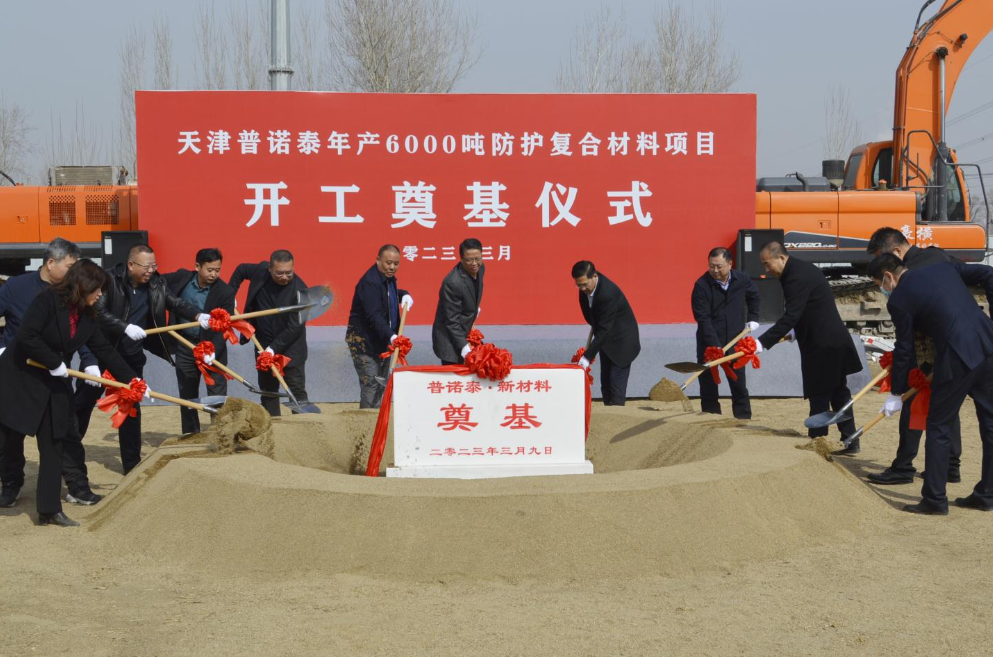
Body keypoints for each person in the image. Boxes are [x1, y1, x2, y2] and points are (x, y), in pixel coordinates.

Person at [0, 260, 139, 526]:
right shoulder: (47, 300)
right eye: (97, 289)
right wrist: (54, 362)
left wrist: (133, 381)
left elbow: (104, 350)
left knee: (55, 443)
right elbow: (28, 336)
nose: (100, 294)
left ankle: (49, 510)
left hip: (53, 384)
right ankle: (10, 484)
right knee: (6, 440)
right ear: (82, 286)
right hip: (20, 378)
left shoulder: (87, 315)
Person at [869, 253, 993, 515]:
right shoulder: (943, 268)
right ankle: (987, 494)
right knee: (990, 423)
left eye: (879, 284)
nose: (882, 290)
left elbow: (904, 349)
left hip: (957, 358)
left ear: (888, 276)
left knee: (938, 426)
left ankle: (934, 500)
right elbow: (988, 273)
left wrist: (896, 393)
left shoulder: (899, 299)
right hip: (988, 344)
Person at [74, 244, 210, 474]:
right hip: (103, 353)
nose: (150, 271)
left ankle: (131, 464)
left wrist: (197, 315)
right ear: (131, 264)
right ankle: (68, 453)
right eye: (146, 266)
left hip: (131, 356)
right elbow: (99, 313)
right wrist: (124, 327)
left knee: (131, 407)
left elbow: (174, 303)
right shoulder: (109, 280)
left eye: (154, 266)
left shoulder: (156, 283)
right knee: (83, 405)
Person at [0, 238, 106, 508]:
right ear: (50, 263)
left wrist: (89, 360)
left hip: (57, 374)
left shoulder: (73, 295)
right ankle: (11, 484)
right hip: (21, 375)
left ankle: (77, 486)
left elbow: (80, 332)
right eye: (70, 266)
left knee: (66, 433)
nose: (74, 273)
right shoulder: (16, 287)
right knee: (11, 436)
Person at [864, 227, 967, 484]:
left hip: (926, 348)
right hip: (954, 345)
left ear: (897, 251)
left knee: (913, 404)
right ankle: (950, 466)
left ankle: (903, 467)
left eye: (882, 257)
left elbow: (905, 341)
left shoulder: (909, 276)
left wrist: (896, 392)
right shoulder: (940, 256)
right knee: (948, 406)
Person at [755, 242, 864, 452]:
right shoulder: (799, 269)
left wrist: (762, 342)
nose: (766, 270)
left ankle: (818, 442)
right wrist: (797, 331)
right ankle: (851, 440)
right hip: (828, 339)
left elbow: (791, 315)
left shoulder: (796, 276)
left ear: (781, 258)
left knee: (819, 393)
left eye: (767, 264)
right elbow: (809, 307)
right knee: (838, 392)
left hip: (824, 344)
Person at [229, 250, 314, 416]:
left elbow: (294, 327)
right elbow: (241, 270)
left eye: (289, 272)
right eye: (279, 273)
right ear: (270, 268)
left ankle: (302, 425)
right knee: (268, 390)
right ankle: (273, 424)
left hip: (290, 349)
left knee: (296, 390)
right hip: (262, 342)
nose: (284, 277)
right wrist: (230, 295)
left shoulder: (301, 292)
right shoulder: (260, 271)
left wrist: (273, 349)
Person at [162, 248, 236, 434]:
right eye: (209, 270)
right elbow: (157, 282)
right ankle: (191, 434)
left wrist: (213, 350)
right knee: (187, 394)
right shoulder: (181, 278)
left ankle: (219, 434)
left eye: (217, 270)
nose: (213, 274)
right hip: (185, 345)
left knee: (217, 395)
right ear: (197, 266)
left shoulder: (225, 291)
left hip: (212, 348)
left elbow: (225, 327)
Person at [691, 247, 761, 419]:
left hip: (735, 340)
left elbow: (754, 296)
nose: (715, 270)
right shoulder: (701, 286)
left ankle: (743, 418)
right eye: (711, 266)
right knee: (708, 384)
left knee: (738, 383)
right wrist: (715, 346)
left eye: (719, 266)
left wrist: (753, 318)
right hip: (709, 343)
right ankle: (711, 418)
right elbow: (703, 319)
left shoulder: (741, 279)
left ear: (730, 264)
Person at [346, 245, 414, 408]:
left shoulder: (387, 278)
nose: (392, 267)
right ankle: (366, 419)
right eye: (388, 263)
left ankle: (376, 418)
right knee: (371, 383)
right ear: (378, 260)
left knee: (381, 383)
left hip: (383, 342)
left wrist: (403, 294)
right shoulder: (370, 283)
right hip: (364, 342)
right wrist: (392, 335)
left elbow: (388, 295)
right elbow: (374, 315)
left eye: (396, 263)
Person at [572, 260, 641, 406]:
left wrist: (587, 356)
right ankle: (609, 411)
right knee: (606, 385)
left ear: (594, 276)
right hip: (605, 340)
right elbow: (591, 317)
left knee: (616, 385)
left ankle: (617, 413)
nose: (582, 288)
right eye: (578, 285)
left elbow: (604, 330)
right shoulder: (584, 289)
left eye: (584, 284)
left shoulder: (607, 294)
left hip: (623, 342)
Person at [432, 238, 484, 365]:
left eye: (477, 258)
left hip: (465, 330)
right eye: (469, 260)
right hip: (449, 340)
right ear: (461, 259)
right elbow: (451, 321)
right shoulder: (452, 282)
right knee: (453, 376)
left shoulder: (481, 268)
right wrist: (463, 346)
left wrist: (473, 308)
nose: (474, 263)